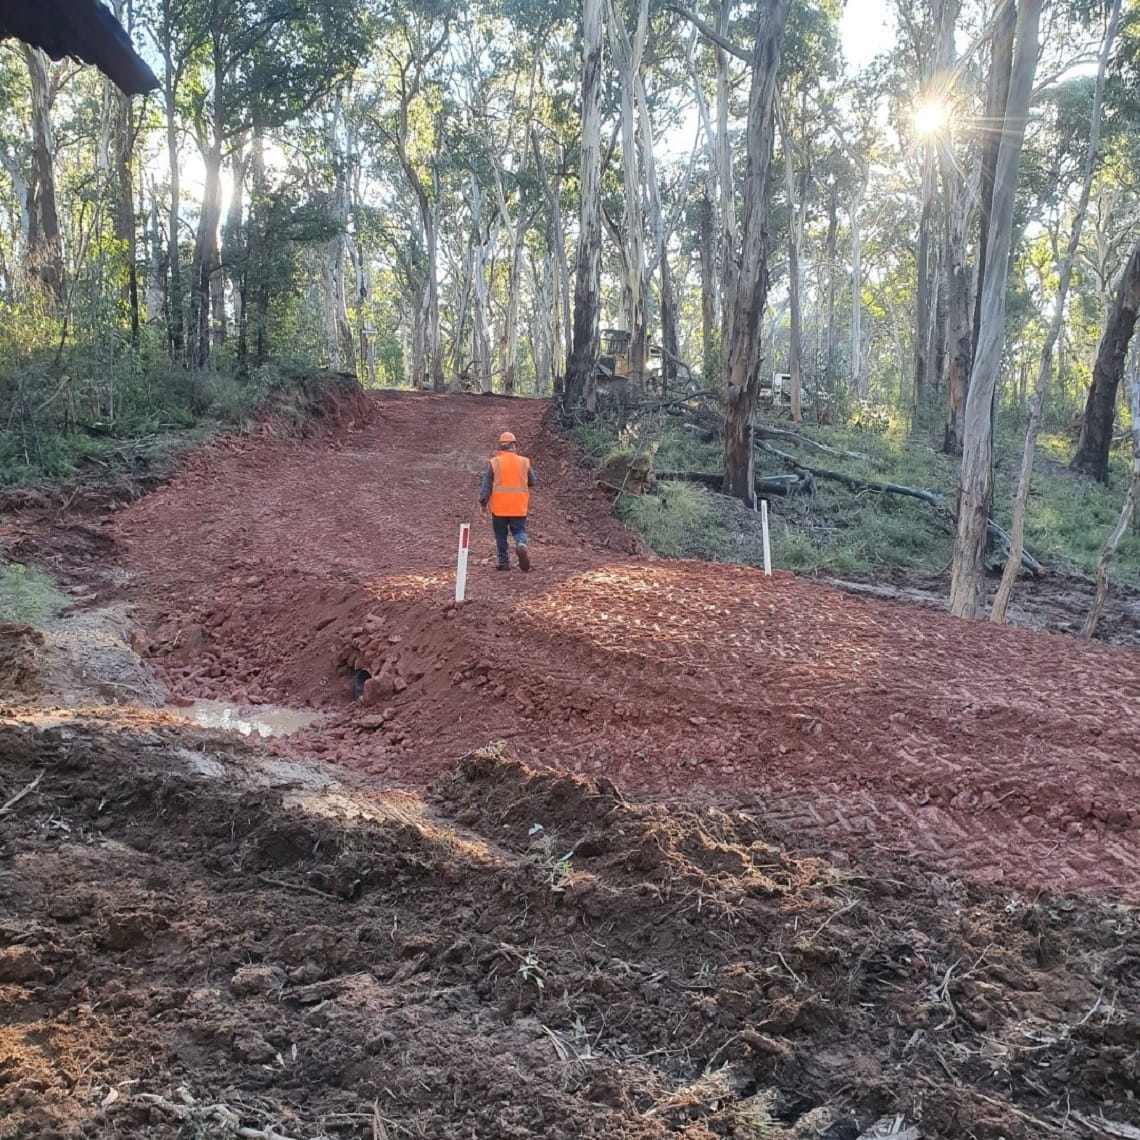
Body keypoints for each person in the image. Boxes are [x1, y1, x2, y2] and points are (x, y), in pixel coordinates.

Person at [478, 431, 537, 571]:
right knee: (519, 530)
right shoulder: (524, 462)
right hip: (518, 506)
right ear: (514, 445)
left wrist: (483, 504)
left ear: (501, 446)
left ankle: (503, 562)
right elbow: (533, 481)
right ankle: (521, 544)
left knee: (500, 534)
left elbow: (485, 487)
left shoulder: (494, 463)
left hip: (499, 507)